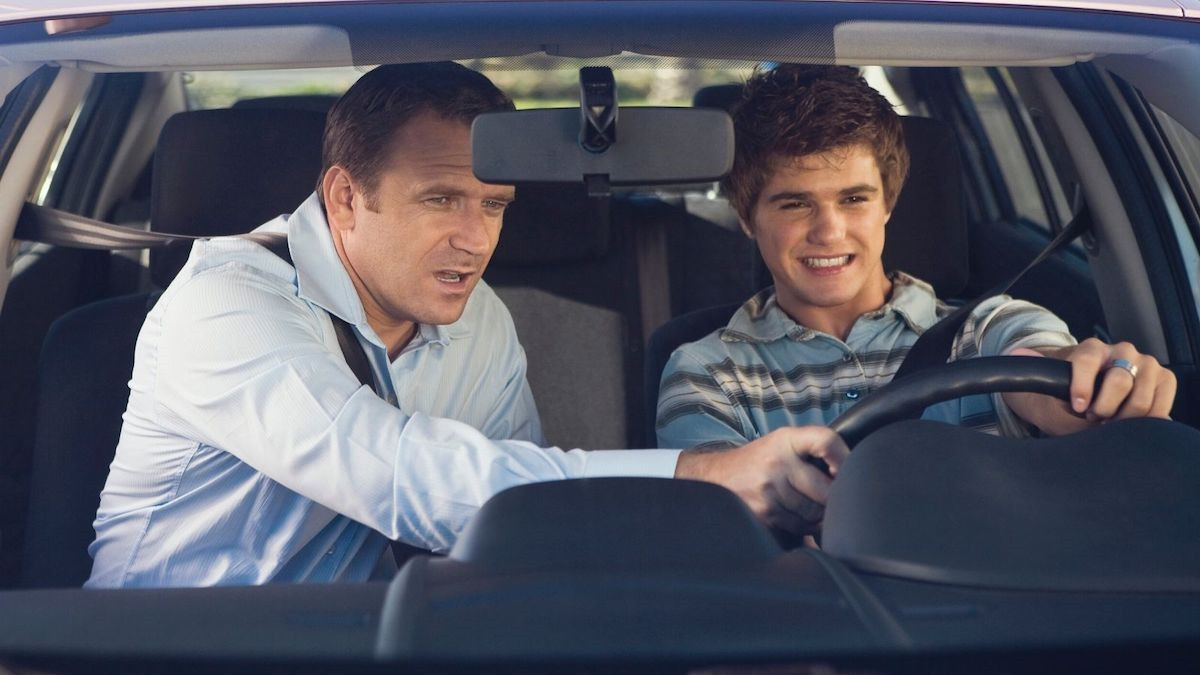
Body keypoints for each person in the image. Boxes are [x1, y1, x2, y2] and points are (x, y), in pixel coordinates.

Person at [87, 63, 848, 588]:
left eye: (493, 206)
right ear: (346, 198)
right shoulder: (227, 305)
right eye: (441, 199)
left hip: (363, 644)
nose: (476, 238)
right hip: (169, 645)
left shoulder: (481, 319)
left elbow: (521, 521)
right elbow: (404, 471)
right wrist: (707, 474)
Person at [656, 65, 1176, 527]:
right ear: (747, 218)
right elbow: (720, 520)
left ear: (889, 202)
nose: (829, 232)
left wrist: (1092, 388)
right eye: (794, 204)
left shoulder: (987, 328)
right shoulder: (706, 370)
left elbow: (1038, 371)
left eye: (854, 199)